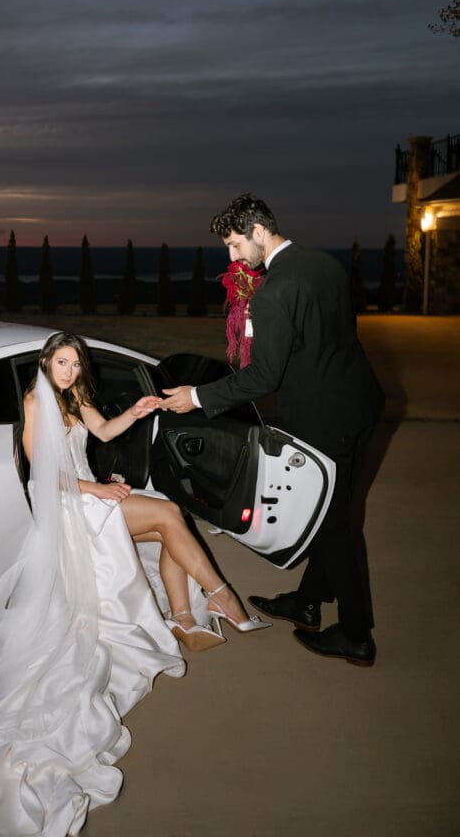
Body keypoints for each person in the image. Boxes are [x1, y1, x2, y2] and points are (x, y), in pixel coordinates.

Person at [0, 332, 268, 837]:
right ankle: (225, 602)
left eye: (73, 363)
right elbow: (45, 473)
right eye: (60, 362)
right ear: (46, 362)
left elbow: (104, 434)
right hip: (68, 504)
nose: (67, 371)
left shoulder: (75, 395)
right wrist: (101, 489)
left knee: (165, 527)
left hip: (88, 492)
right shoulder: (34, 400)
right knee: (170, 514)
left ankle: (182, 617)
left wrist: (138, 410)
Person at [161, 193, 384, 667]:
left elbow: (263, 378)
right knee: (338, 508)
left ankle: (356, 634)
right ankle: (306, 601)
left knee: (333, 526)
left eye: (236, 245)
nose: (233, 257)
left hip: (326, 419)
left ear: (259, 231)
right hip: (363, 402)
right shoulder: (325, 265)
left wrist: (197, 397)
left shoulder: (274, 293)